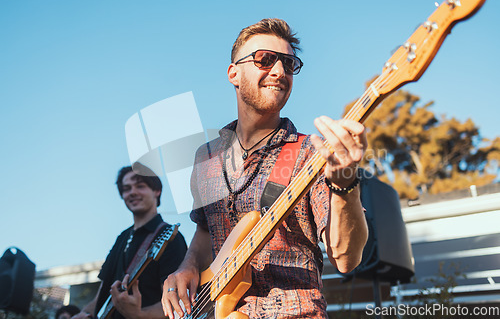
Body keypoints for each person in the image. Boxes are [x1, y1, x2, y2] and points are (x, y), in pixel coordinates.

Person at [161, 18, 369, 318]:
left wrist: (346, 185)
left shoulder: (312, 152)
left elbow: (347, 258)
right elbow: (206, 232)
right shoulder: (206, 158)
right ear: (233, 73)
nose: (279, 71)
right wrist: (188, 265)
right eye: (265, 59)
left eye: (289, 63)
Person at [73, 164, 187, 319]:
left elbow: (176, 301)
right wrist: (83, 314)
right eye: (126, 189)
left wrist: (139, 315)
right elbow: (101, 295)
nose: (132, 192)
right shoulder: (122, 237)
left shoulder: (170, 237)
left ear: (157, 191)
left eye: (140, 186)